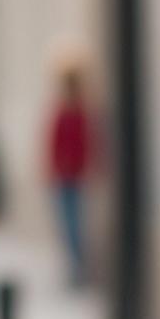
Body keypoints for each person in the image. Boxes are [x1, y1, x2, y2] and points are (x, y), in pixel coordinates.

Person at [43, 55, 102, 288]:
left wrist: (89, 167)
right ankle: (72, 267)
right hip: (63, 177)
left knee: (76, 224)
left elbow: (89, 143)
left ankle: (78, 269)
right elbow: (52, 142)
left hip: (77, 177)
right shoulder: (60, 110)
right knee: (66, 224)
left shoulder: (83, 111)